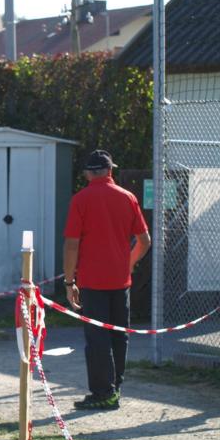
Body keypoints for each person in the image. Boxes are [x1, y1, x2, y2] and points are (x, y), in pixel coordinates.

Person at [63, 149, 151, 410]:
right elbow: (144, 240)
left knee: (97, 338)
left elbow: (71, 244)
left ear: (88, 174)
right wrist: (129, 263)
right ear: (110, 170)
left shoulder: (81, 199)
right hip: (121, 281)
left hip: (92, 281)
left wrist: (69, 282)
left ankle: (103, 393)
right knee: (119, 335)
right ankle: (114, 388)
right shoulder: (128, 197)